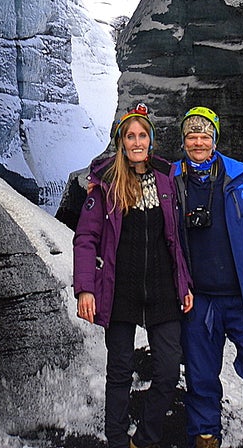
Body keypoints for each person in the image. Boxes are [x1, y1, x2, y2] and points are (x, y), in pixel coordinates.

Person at [74, 104, 194, 448]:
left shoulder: (167, 180)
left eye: (142, 135)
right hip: (119, 290)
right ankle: (115, 440)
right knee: (120, 373)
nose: (137, 142)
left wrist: (184, 283)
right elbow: (86, 238)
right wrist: (85, 289)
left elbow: (176, 239)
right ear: (121, 142)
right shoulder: (106, 184)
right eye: (131, 136)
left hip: (163, 291)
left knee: (169, 371)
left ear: (151, 140)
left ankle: (144, 439)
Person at [174, 106, 243, 448]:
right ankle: (206, 436)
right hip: (199, 297)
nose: (198, 142)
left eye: (204, 135)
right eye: (191, 135)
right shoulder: (170, 178)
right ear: (183, 140)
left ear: (215, 139)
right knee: (201, 374)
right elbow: (124, 170)